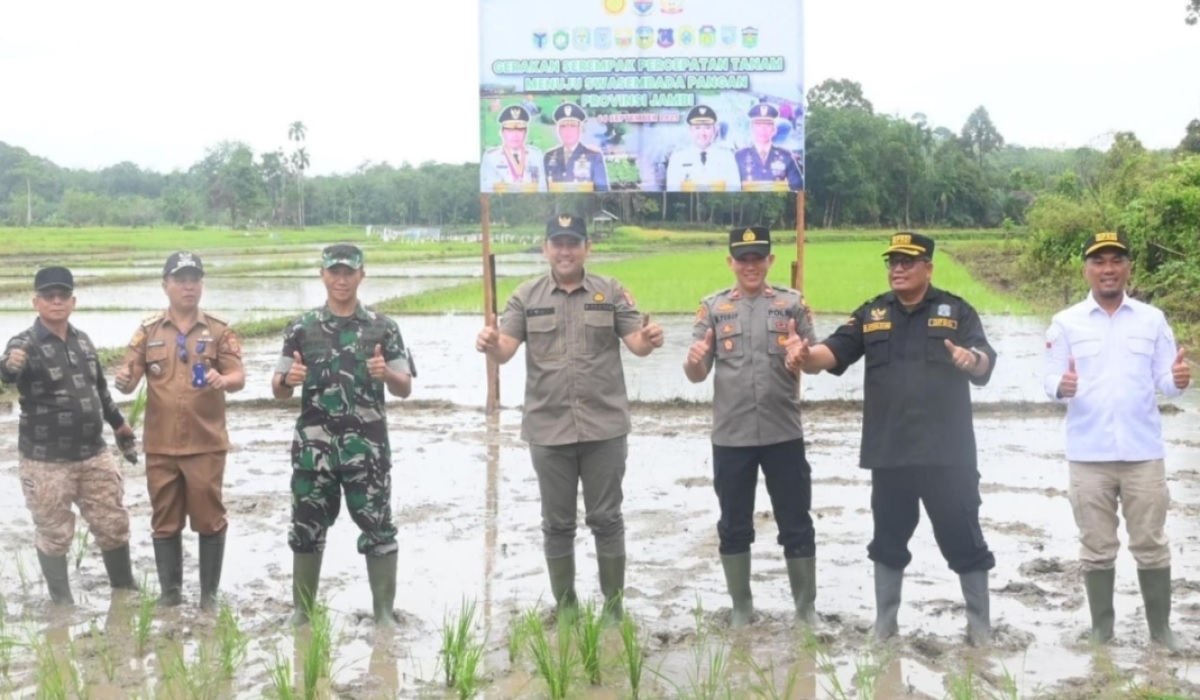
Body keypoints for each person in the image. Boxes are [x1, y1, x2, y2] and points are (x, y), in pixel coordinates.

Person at [797, 232, 997, 646]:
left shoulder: (956, 310)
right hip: (890, 454)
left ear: (928, 266)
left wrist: (970, 359)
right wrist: (804, 356)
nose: (898, 268)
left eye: (908, 261)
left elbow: (983, 359)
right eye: (893, 261)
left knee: (964, 539)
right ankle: (884, 625)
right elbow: (831, 353)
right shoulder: (872, 313)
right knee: (887, 541)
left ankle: (980, 628)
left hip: (948, 456)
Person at [474, 215, 663, 619]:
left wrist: (648, 340)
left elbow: (636, 344)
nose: (565, 250)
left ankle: (613, 610)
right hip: (548, 427)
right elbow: (505, 349)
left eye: (573, 243)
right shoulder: (525, 296)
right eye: (557, 243)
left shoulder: (609, 291)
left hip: (604, 426)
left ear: (586, 248)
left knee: (607, 519)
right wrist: (490, 344)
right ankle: (567, 607)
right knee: (557, 523)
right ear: (545, 248)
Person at [1043, 231, 1192, 650]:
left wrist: (1179, 380)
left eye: (1116, 260)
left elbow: (1166, 380)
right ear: (1086, 269)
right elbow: (1049, 378)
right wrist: (1062, 385)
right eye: (1098, 261)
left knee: (1151, 542)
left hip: (1144, 454)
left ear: (1128, 267)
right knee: (1096, 545)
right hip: (1088, 455)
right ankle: (1101, 630)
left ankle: (1161, 630)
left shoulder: (1152, 319)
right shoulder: (1065, 322)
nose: (1107, 269)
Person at [272, 243, 416, 628]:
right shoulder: (301, 328)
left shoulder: (383, 328)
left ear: (361, 275)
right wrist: (289, 379)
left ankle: (383, 613)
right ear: (322, 274)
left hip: (365, 450)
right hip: (312, 452)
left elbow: (405, 387)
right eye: (334, 271)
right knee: (305, 528)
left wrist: (387, 374)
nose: (341, 279)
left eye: (348, 272)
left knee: (378, 527)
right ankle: (302, 612)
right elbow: (278, 387)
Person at [682, 227, 818, 628]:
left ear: (770, 261)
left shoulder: (791, 305)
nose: (751, 265)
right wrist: (693, 360)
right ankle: (742, 608)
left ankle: (805, 609)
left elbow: (813, 355)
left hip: (783, 433)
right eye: (743, 258)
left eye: (758, 257)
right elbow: (695, 373)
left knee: (796, 521)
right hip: (732, 437)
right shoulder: (712, 308)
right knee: (734, 524)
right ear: (731, 263)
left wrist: (801, 354)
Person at [115, 252, 245, 611]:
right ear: (165, 285)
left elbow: (238, 377)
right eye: (180, 279)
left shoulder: (219, 330)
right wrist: (123, 380)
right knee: (164, 520)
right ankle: (170, 595)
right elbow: (128, 379)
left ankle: (208, 597)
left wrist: (224, 378)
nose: (189, 286)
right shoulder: (148, 331)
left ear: (201, 284)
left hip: (205, 443)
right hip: (160, 445)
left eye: (194, 279)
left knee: (209, 519)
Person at [1, 267, 138, 606]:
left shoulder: (83, 341)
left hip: (94, 453)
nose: (57, 301)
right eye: (49, 296)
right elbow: (6, 370)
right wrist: (8, 364)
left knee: (112, 521)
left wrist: (120, 426)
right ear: (36, 301)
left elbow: (100, 391)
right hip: (45, 461)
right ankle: (61, 602)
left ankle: (124, 589)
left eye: (63, 295)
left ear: (73, 301)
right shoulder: (24, 344)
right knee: (54, 531)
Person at [665, 105, 742, 192]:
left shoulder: (727, 157)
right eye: (697, 128)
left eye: (707, 128)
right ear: (690, 130)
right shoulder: (678, 158)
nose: (702, 133)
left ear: (714, 130)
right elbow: (673, 191)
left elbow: (734, 190)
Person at [480, 104, 547, 193]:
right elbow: (486, 188)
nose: (515, 135)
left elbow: (542, 188)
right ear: (502, 133)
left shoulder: (536, 155)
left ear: (526, 133)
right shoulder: (491, 157)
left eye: (519, 130)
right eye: (510, 130)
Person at [736, 103, 803, 191]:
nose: (762, 129)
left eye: (767, 125)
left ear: (774, 129)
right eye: (758, 125)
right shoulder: (738, 156)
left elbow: (798, 188)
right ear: (751, 128)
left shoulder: (787, 156)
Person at [544, 103, 610, 192]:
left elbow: (603, 195)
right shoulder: (549, 156)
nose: (568, 131)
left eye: (573, 126)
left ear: (580, 129)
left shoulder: (594, 156)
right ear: (558, 130)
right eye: (563, 126)